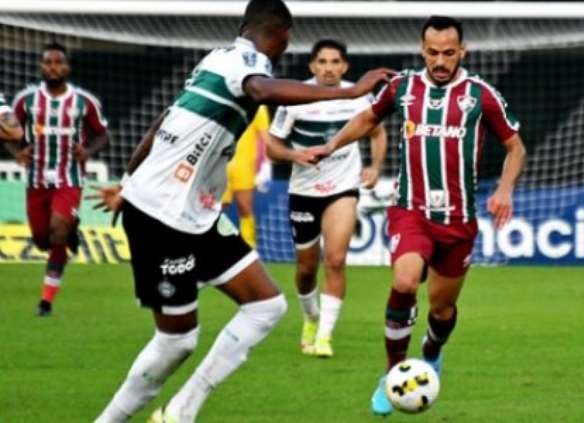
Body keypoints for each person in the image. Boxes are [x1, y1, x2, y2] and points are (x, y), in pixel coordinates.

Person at [90, 0, 393, 421]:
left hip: (195, 213)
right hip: (162, 215)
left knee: (267, 306)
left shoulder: (218, 59)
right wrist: (352, 90)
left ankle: (181, 410)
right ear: (284, 37)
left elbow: (165, 119)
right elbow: (261, 91)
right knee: (177, 342)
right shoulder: (246, 64)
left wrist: (126, 182)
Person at [308, 16, 526, 416]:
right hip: (412, 211)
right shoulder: (403, 88)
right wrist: (332, 144)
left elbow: (515, 147)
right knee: (405, 281)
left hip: (458, 222)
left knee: (441, 310)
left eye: (448, 52)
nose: (439, 60)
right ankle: (393, 375)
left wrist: (505, 189)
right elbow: (368, 119)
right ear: (421, 49)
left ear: (463, 51)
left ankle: (432, 350)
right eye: (432, 52)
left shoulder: (481, 96)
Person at [266, 39, 387, 358]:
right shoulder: (294, 98)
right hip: (304, 191)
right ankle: (310, 317)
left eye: (335, 62)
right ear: (312, 66)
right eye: (322, 62)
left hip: (343, 188)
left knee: (335, 260)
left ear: (345, 66)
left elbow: (377, 132)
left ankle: (324, 337)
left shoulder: (360, 96)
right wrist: (295, 155)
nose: (329, 68)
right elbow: (272, 148)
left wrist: (375, 166)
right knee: (306, 269)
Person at [7, 42, 110, 316]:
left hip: (70, 179)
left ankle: (45, 301)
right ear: (41, 67)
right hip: (37, 181)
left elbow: (103, 135)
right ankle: (70, 230)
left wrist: (87, 151)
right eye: (48, 63)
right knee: (43, 240)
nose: (53, 67)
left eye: (58, 62)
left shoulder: (83, 102)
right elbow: (6, 130)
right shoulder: (26, 100)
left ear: (67, 67)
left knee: (58, 231)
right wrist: (18, 152)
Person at [222, 104, 272, 248]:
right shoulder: (228, 102)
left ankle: (249, 247)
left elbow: (265, 138)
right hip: (221, 163)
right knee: (216, 208)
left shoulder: (259, 108)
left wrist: (266, 167)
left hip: (244, 166)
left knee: (244, 207)